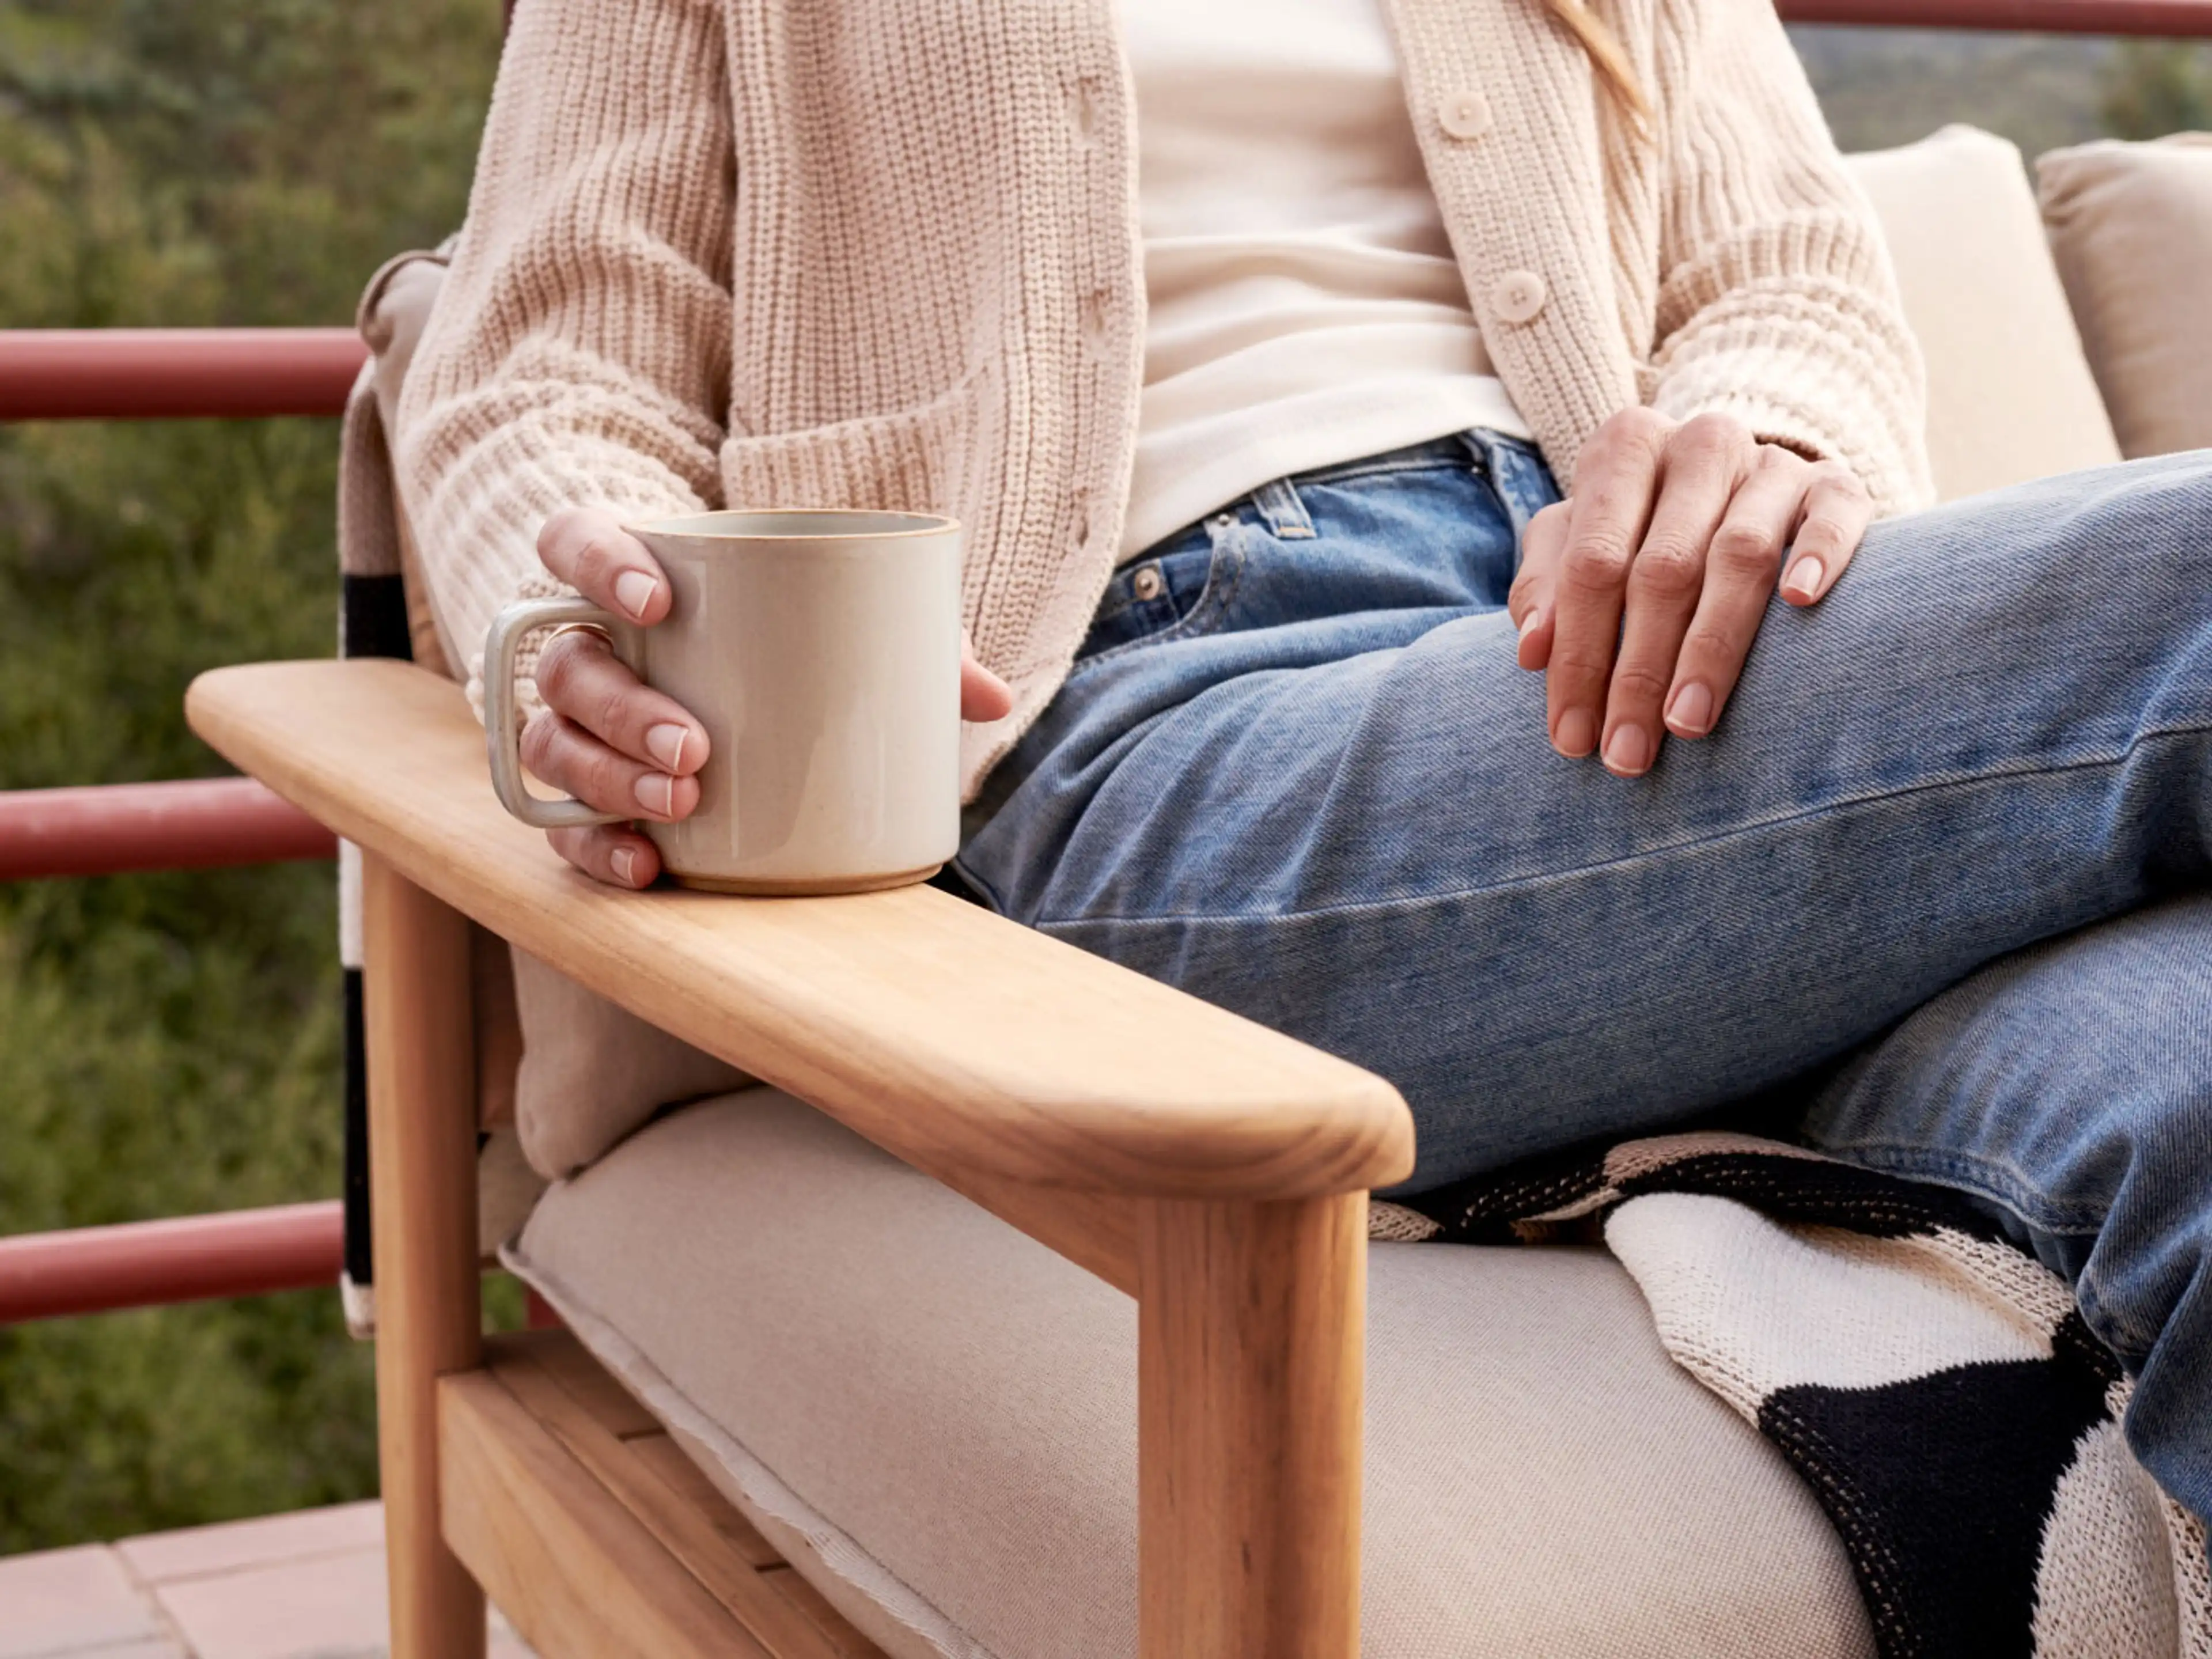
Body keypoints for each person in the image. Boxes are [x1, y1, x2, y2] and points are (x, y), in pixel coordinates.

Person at [395, 0, 2212, 1537]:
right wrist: (599, 632)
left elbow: (1788, 276)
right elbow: (544, 378)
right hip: (1167, 723)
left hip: (1645, 669)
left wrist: (1760, 454)